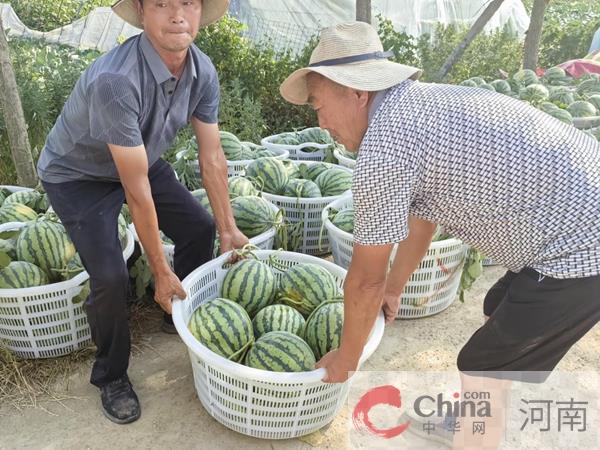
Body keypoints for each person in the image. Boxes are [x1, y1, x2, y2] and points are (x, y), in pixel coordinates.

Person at [279, 21, 600, 448]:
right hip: (573, 226)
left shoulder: (385, 146)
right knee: (497, 307)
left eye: (318, 106)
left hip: (581, 246)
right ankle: (478, 423)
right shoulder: (415, 106)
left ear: (356, 93)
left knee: (481, 368)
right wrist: (396, 288)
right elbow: (422, 218)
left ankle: (477, 433)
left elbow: (364, 279)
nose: (320, 123)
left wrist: (347, 359)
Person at [36, 0, 248, 424]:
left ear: (201, 11)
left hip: (138, 157)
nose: (176, 15)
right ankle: (111, 376)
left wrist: (228, 228)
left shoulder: (202, 70)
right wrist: (159, 269)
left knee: (198, 227)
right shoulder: (117, 80)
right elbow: (136, 192)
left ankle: (176, 317)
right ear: (142, 12)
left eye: (188, 2)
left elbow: (212, 157)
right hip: (79, 176)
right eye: (162, 4)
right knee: (111, 277)